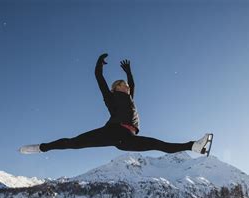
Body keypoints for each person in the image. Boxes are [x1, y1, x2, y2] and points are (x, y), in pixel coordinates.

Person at [19, 53, 213, 155]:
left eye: (127, 85)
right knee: (74, 143)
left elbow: (134, 85)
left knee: (159, 145)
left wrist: (129, 71)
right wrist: (99, 65)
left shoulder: (130, 98)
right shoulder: (111, 98)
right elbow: (99, 80)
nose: (127, 86)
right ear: (115, 88)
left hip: (127, 138)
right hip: (112, 131)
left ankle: (193, 147)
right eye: (123, 84)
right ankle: (40, 148)